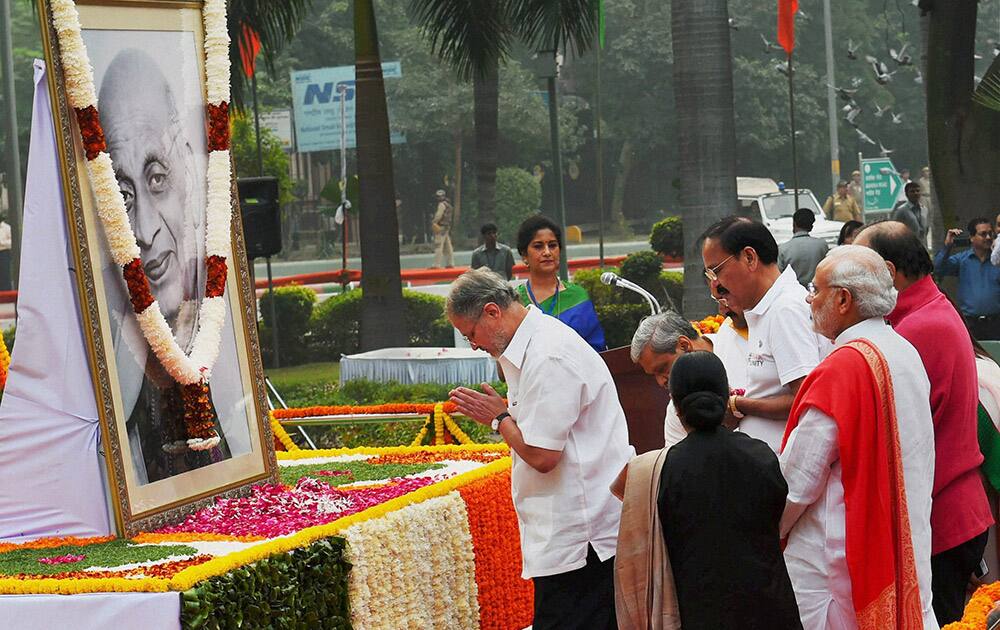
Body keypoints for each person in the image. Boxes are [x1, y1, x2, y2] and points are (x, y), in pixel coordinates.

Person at [446, 268, 632, 630]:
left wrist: (498, 418)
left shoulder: (548, 355)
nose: (472, 344)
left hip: (582, 537)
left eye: (471, 334)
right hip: (573, 532)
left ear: (492, 312)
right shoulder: (533, 345)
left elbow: (543, 456)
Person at [779, 245, 937, 629]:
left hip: (840, 559)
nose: (808, 298)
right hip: (905, 539)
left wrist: (769, 530)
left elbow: (798, 481)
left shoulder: (844, 367)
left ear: (843, 299)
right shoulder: (904, 350)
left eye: (815, 289)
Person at [99, 48, 236, 484]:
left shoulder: (216, 294)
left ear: (187, 174)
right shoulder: (106, 320)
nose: (143, 228)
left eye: (157, 179)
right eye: (122, 195)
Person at [855, 221, 992, 624]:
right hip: (953, 509)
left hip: (943, 515)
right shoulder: (927, 310)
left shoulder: (915, 329)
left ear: (890, 272)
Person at [652, 351, 801, 628]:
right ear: (726, 397)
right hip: (769, 609)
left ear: (676, 406)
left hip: (701, 611)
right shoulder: (760, 455)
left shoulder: (663, 470)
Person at [701, 216, 830, 451]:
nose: (715, 285)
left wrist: (739, 404)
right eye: (710, 276)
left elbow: (807, 400)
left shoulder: (785, 310)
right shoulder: (764, 310)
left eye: (716, 271)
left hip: (785, 473)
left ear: (750, 258)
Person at [514, 215, 605, 351]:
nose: (547, 252)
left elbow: (596, 349)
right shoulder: (515, 302)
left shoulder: (577, 297)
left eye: (552, 245)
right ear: (524, 256)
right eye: (538, 246)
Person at [935, 217, 1000, 340]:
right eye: (983, 234)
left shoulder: (997, 260)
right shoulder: (962, 260)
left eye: (990, 234)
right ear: (972, 237)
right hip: (970, 323)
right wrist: (947, 246)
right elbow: (938, 268)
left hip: (996, 323)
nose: (988, 238)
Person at [778, 208, 830, 285]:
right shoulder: (822, 245)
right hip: (817, 291)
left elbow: (779, 275)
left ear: (794, 224)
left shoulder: (783, 249)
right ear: (811, 226)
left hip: (793, 292)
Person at [430, 189, 454, 268]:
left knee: (438, 245)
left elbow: (438, 216)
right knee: (448, 246)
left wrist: (433, 222)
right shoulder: (448, 205)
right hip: (446, 227)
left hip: (440, 227)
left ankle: (436, 264)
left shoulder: (441, 205)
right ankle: (450, 263)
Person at [0, 213, 10, 291]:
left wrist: (2, 242)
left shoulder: (7, 228)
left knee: (5, 274)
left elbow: (12, 242)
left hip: (3, 253)